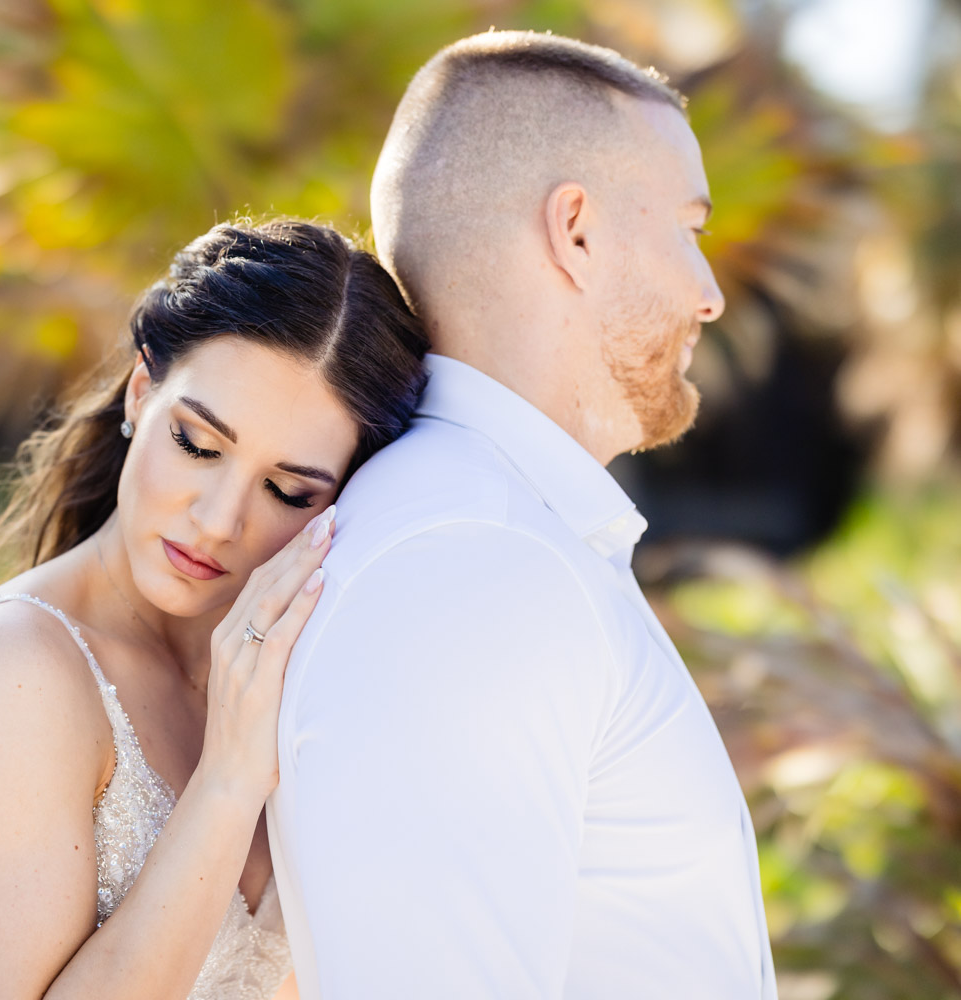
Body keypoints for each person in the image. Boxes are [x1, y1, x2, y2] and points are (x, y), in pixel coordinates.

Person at [266, 30, 778, 999]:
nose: (709, 296)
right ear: (575, 231)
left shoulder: (500, 536)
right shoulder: (470, 561)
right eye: (689, 228)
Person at [0, 219, 429, 1000]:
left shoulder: (296, 674)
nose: (218, 519)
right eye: (199, 444)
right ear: (143, 393)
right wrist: (230, 780)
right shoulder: (11, 673)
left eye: (287, 490)